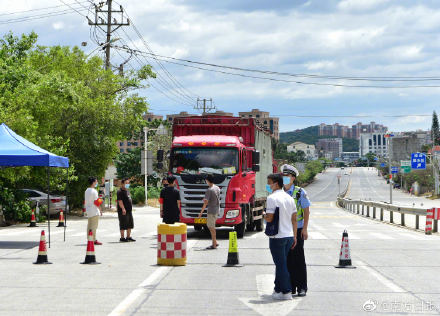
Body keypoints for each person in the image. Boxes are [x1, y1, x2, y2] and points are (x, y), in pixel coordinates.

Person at [264, 173, 297, 300]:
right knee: (281, 263)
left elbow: (270, 217)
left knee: (281, 265)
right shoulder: (289, 198)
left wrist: (263, 214)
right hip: (288, 235)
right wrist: (294, 236)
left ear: (276, 183)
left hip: (277, 237)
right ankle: (278, 289)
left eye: (269, 182)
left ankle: (287, 291)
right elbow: (294, 219)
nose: (268, 185)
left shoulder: (272, 198)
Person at [281, 164, 311, 297]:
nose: (284, 178)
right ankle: (291, 286)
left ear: (293, 178)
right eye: (283, 176)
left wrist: (305, 228)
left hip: (297, 230)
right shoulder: (279, 192)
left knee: (298, 259)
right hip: (284, 230)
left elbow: (306, 211)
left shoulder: (300, 192)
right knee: (287, 259)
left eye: (287, 176)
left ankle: (302, 287)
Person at [197, 174, 220, 249]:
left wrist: (200, 213)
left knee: (211, 227)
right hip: (216, 209)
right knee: (212, 226)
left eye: (206, 180)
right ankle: (215, 242)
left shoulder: (209, 190)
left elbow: (205, 203)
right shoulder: (217, 188)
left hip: (211, 210)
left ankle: (214, 244)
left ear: (207, 181)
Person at [84, 177, 103, 245]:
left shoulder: (87, 190)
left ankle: (89, 238)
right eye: (96, 182)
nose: (97, 183)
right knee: (94, 226)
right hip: (94, 211)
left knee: (89, 225)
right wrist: (100, 209)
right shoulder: (94, 191)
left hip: (89, 210)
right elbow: (96, 202)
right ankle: (93, 239)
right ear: (93, 182)